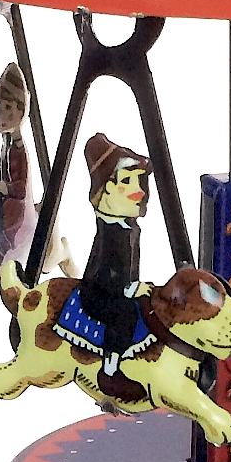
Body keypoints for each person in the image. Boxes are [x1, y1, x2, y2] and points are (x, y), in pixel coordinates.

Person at [76, 133, 153, 401]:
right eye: (127, 182)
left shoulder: (129, 228)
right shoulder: (111, 230)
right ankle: (110, 369)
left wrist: (135, 286)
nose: (138, 190)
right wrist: (129, 288)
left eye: (139, 181)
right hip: (100, 292)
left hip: (121, 287)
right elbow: (107, 272)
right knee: (124, 314)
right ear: (107, 188)